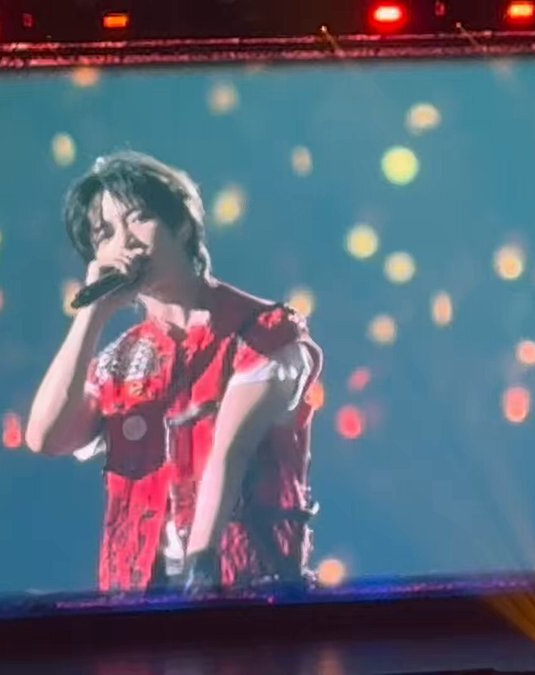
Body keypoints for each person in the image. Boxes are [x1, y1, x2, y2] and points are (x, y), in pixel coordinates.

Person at [25, 151, 323, 595]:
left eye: (138, 219)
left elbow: (231, 452)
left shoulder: (261, 333)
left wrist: (199, 572)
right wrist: (91, 316)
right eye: (105, 234)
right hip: (136, 597)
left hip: (244, 591)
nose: (125, 243)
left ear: (181, 224)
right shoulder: (122, 361)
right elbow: (45, 437)